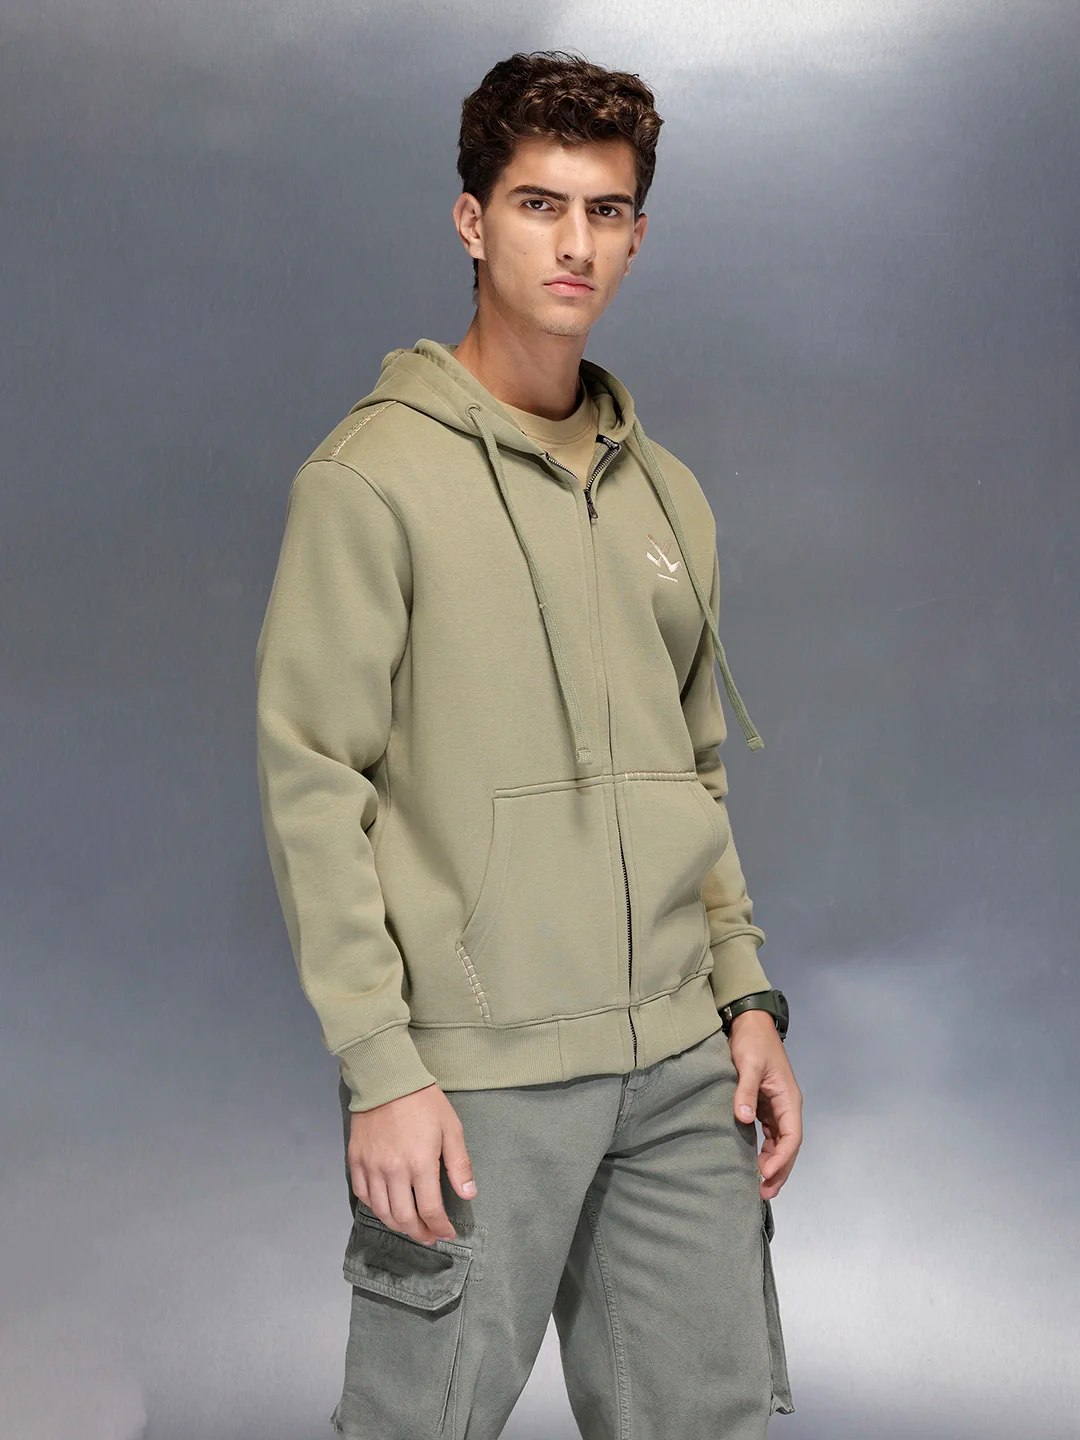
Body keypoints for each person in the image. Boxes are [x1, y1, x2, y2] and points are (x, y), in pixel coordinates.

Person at [255, 48, 801, 1440]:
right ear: (472, 220)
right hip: (478, 1072)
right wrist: (382, 1066)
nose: (575, 244)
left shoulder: (667, 496)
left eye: (606, 211)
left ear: (637, 233)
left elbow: (695, 776)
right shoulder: (371, 480)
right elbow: (314, 787)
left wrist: (745, 1000)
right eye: (539, 203)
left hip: (677, 1065)